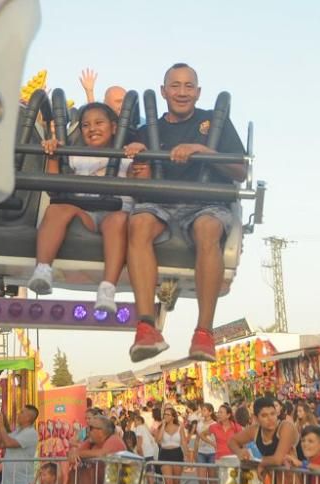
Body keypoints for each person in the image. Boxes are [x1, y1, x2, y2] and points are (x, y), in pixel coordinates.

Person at [123, 63, 247, 362]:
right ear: (164, 90)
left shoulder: (214, 123)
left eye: (188, 86)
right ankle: (145, 326)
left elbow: (241, 171)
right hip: (160, 201)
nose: (182, 92)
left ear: (198, 91)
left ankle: (203, 332)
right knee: (138, 222)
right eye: (175, 85)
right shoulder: (146, 129)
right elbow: (133, 180)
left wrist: (203, 151)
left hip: (206, 202)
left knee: (208, 229)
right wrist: (136, 160)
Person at [27, 102, 134, 315]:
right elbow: (54, 186)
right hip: (85, 212)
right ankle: (42, 269)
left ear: (114, 127)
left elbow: (142, 184)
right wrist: (53, 156)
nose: (92, 128)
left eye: (98, 123)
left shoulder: (126, 156)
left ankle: (107, 288)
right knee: (57, 209)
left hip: (115, 212)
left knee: (118, 221)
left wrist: (140, 154)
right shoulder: (76, 155)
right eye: (85, 125)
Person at [155, 406, 189, 484]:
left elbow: (183, 442)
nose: (165, 416)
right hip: (165, 454)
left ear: (173, 416)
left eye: (168, 414)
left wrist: (187, 456)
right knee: (168, 482)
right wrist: (163, 425)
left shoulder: (180, 427)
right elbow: (158, 440)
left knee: (176, 482)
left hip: (177, 454)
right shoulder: (161, 427)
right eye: (164, 414)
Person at [194, 402, 217, 484]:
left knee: (212, 479)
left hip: (212, 452)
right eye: (202, 410)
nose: (202, 412)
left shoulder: (215, 424)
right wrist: (194, 451)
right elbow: (198, 438)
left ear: (210, 412)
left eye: (204, 410)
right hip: (201, 452)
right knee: (201, 478)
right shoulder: (199, 423)